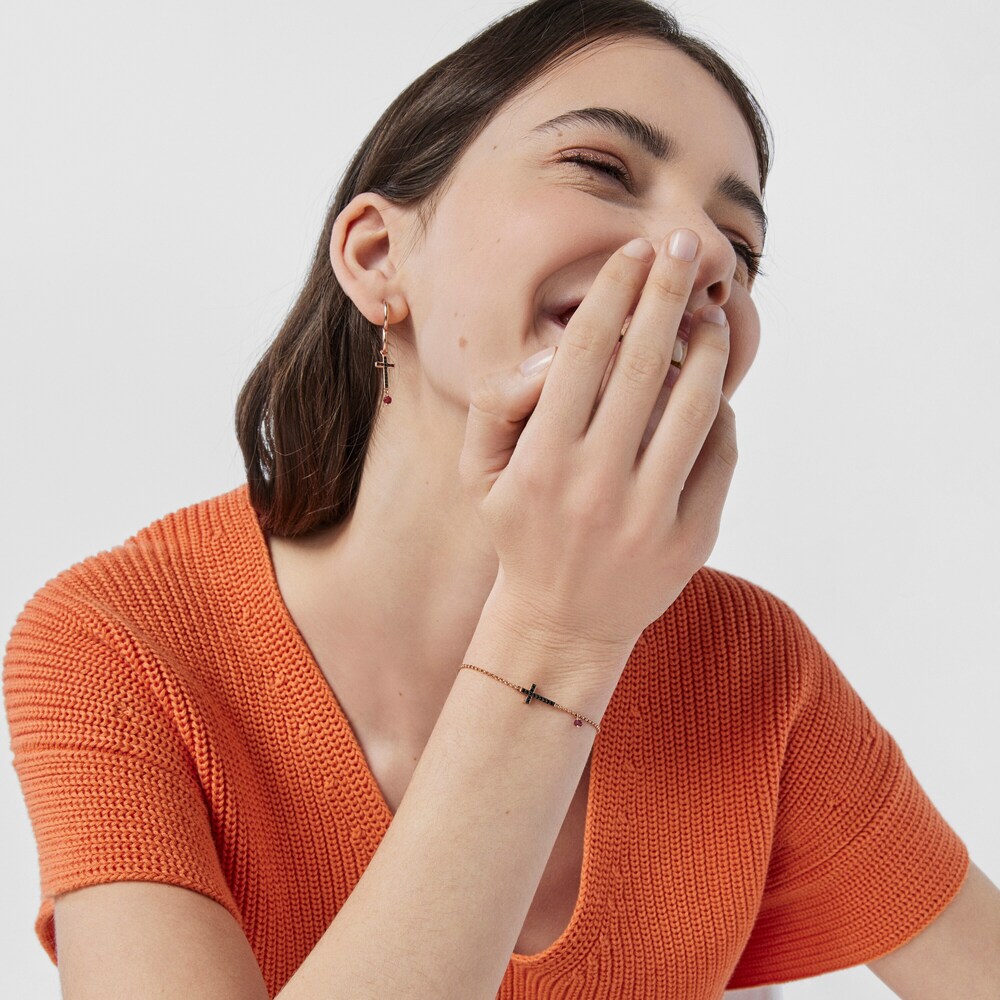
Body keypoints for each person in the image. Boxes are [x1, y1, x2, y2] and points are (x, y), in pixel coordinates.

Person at [3, 0, 999, 997]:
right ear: (378, 256)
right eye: (602, 169)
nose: (700, 255)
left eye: (739, 244)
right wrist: (559, 633)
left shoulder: (749, 672)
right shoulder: (115, 643)